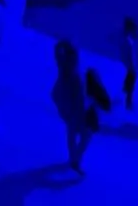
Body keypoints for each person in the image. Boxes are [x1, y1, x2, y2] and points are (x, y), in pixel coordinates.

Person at [51, 39, 95, 175]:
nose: (77, 59)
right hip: (73, 110)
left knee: (78, 135)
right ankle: (75, 160)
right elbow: (57, 52)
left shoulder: (67, 69)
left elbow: (57, 53)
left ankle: (74, 159)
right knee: (83, 135)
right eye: (74, 56)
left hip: (71, 109)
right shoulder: (68, 72)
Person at [120, 16, 138, 110]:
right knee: (131, 85)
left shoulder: (127, 40)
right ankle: (128, 104)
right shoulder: (129, 41)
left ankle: (125, 97)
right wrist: (133, 66)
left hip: (129, 65)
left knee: (129, 82)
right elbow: (130, 55)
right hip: (131, 66)